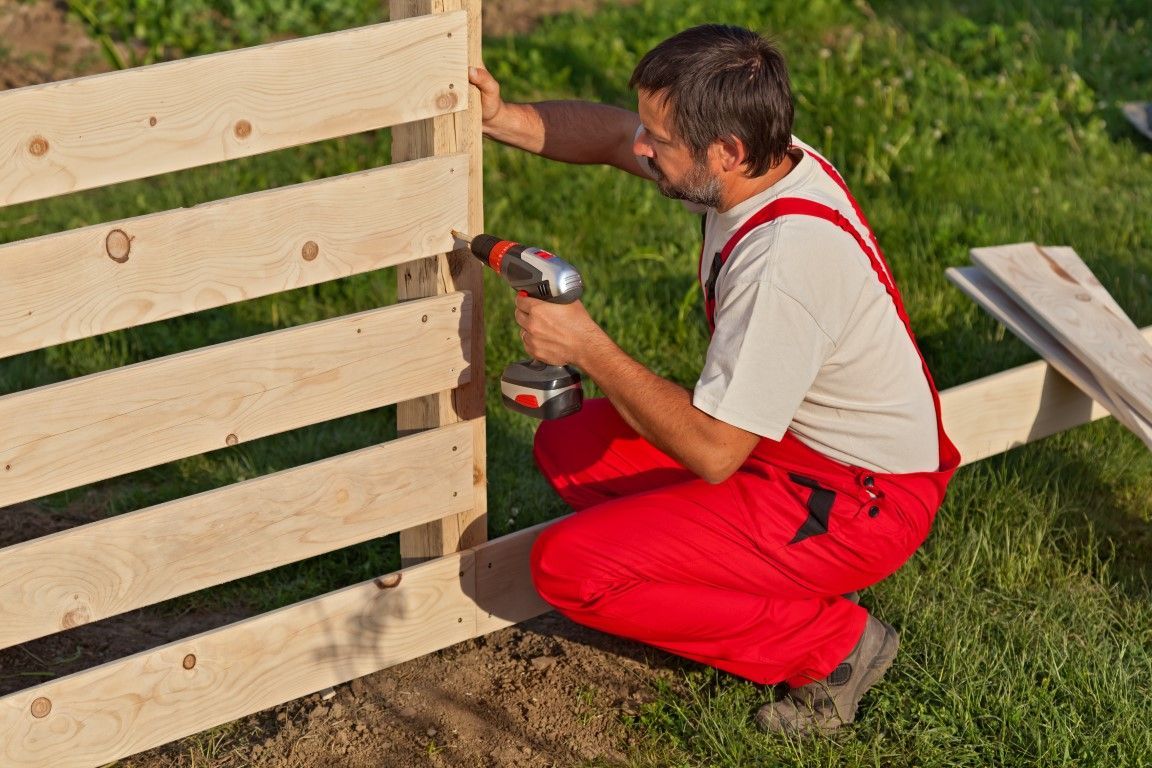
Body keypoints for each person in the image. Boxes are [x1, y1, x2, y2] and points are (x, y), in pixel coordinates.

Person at [468, 23, 960, 733]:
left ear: (725, 151)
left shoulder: (785, 265)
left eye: (659, 141)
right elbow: (611, 137)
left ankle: (833, 647)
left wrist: (590, 347)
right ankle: (726, 575)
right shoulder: (763, 161)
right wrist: (502, 120)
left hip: (855, 503)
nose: (641, 147)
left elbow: (712, 451)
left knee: (569, 569)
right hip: (794, 450)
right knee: (571, 446)